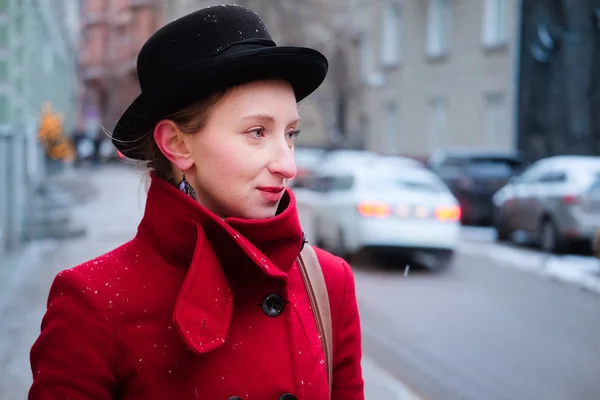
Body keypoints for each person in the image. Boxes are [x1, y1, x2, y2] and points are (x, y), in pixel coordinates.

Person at [29, 5, 364, 400]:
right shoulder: (93, 302)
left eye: (290, 134)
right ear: (177, 143)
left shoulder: (328, 282)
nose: (287, 164)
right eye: (257, 132)